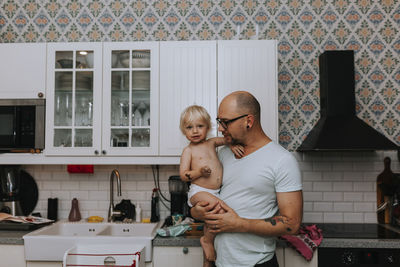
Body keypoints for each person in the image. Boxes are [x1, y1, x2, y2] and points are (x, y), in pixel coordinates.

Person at [191, 91, 303, 267]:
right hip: (219, 261)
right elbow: (204, 195)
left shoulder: (282, 160)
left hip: (256, 263)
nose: (220, 128)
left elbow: (292, 224)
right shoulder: (223, 153)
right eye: (220, 121)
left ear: (248, 121)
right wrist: (196, 212)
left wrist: (238, 224)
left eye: (225, 122)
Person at [179, 105, 244, 267]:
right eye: (189, 127)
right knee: (218, 209)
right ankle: (207, 241)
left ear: (208, 128)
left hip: (215, 191)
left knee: (213, 217)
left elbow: (228, 138)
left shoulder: (211, 143)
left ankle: (208, 260)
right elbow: (183, 174)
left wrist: (232, 145)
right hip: (198, 191)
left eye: (199, 126)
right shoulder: (188, 151)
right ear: (183, 131)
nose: (195, 131)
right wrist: (199, 172)